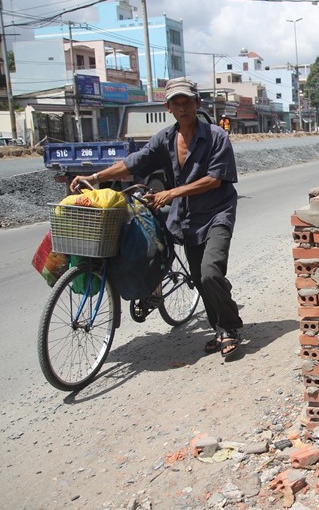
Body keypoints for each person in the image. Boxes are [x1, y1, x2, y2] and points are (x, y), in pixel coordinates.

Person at [69, 77, 244, 359]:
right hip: (187, 217)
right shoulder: (164, 138)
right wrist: (94, 176)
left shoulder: (216, 136)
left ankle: (231, 327)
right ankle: (220, 328)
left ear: (197, 103)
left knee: (211, 272)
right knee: (199, 279)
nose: (182, 106)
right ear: (169, 107)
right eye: (176, 102)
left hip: (217, 212)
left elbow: (215, 179)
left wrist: (171, 193)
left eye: (187, 101)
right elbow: (134, 162)